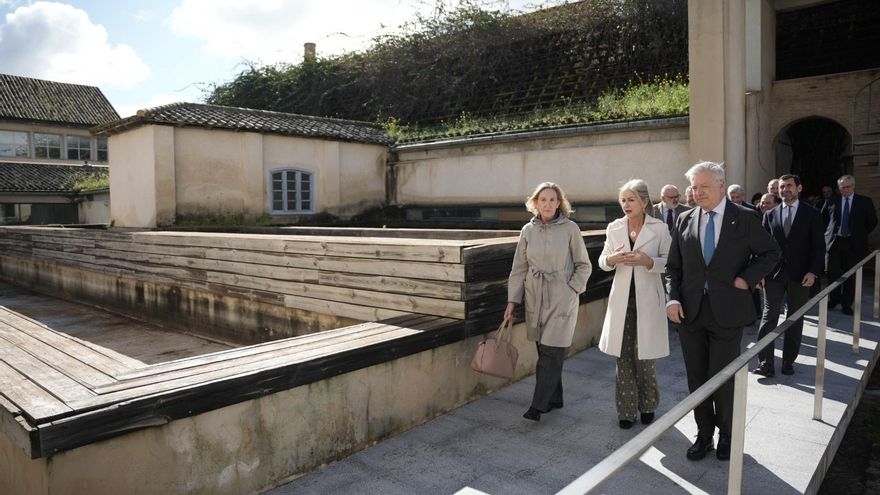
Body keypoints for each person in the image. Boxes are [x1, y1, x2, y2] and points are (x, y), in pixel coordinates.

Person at [666, 161, 779, 462]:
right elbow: (673, 268)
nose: (697, 192)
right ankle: (704, 435)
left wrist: (747, 278)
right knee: (697, 378)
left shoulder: (745, 218)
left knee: (724, 377)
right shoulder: (684, 219)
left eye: (704, 186)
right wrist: (672, 299)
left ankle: (727, 434)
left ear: (720, 184)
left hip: (728, 312)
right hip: (690, 313)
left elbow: (770, 253)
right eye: (693, 187)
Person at [505, 182, 593, 422]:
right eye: (543, 199)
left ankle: (538, 405)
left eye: (552, 199)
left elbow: (584, 265)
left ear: (559, 203)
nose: (547, 204)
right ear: (535, 202)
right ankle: (555, 398)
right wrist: (513, 301)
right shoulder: (527, 230)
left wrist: (571, 289)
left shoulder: (570, 228)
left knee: (552, 351)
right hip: (535, 296)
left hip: (561, 297)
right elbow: (518, 268)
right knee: (544, 348)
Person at [599, 179, 671, 429]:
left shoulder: (660, 228)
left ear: (644, 202)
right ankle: (626, 411)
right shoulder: (614, 227)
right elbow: (602, 261)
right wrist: (612, 258)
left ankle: (648, 405)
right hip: (621, 302)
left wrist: (647, 261)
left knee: (645, 358)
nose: (626, 204)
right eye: (623, 200)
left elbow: (670, 262)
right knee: (623, 358)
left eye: (631, 199)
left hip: (649, 301)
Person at [752, 174, 824, 378]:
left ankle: (788, 361)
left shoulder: (813, 214)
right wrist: (760, 272)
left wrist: (813, 272)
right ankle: (765, 362)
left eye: (789, 186)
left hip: (801, 276)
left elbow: (819, 247)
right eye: (782, 187)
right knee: (768, 317)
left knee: (795, 318)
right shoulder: (770, 215)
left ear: (799, 188)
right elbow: (762, 248)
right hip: (773, 275)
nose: (785, 190)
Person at [821, 175, 878, 315]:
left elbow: (872, 222)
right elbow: (822, 220)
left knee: (850, 275)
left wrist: (860, 234)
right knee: (832, 273)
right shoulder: (831, 201)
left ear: (853, 186)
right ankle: (834, 299)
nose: (845, 190)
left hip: (854, 244)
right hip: (834, 243)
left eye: (847, 187)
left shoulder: (864, 202)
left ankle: (847, 304)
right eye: (842, 187)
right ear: (838, 188)